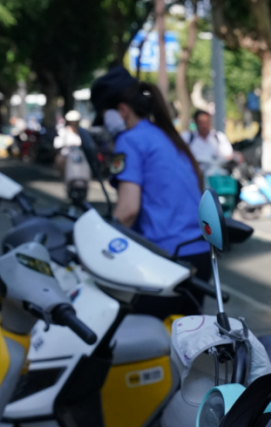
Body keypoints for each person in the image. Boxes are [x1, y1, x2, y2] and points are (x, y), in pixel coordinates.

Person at [89, 65, 210, 314]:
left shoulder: (130, 140)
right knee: (182, 335)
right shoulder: (165, 136)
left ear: (123, 110)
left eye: (105, 115)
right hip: (199, 255)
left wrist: (96, 249)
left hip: (167, 260)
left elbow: (128, 211)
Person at [53, 110, 82, 174]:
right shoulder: (63, 131)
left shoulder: (81, 132)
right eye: (72, 121)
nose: (74, 123)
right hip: (66, 156)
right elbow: (57, 145)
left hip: (79, 156)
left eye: (75, 121)